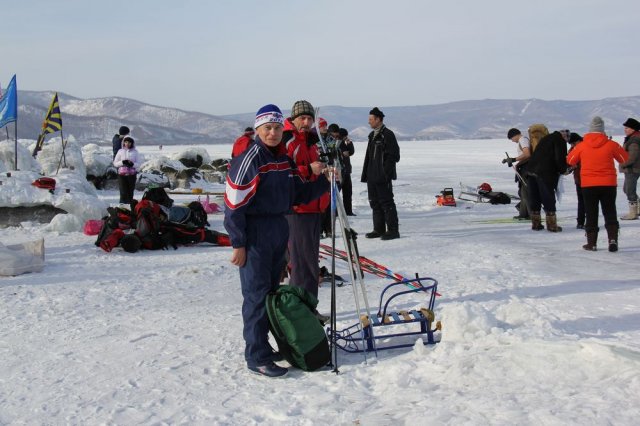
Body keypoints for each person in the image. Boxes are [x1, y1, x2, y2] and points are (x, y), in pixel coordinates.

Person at [224, 104, 330, 378]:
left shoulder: (283, 160)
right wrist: (238, 243)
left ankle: (267, 347)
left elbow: (297, 194)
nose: (272, 133)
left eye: (275, 128)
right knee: (257, 297)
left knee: (271, 296)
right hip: (256, 233)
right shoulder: (250, 159)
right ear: (258, 130)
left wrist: (324, 182)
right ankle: (256, 356)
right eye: (267, 128)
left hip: (278, 228)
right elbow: (234, 204)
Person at [283, 100, 330, 302]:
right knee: (302, 263)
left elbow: (313, 172)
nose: (306, 122)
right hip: (298, 209)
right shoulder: (289, 141)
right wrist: (309, 169)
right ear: (293, 119)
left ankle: (308, 307)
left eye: (310, 118)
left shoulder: (310, 141)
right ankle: (301, 308)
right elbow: (285, 174)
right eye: (302, 117)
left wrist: (326, 173)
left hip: (313, 208)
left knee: (309, 262)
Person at [567, 116, 628, 251]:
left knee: (591, 212)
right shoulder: (611, 144)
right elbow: (624, 158)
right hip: (608, 184)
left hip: (588, 184)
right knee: (610, 211)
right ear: (603, 130)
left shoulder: (581, 146)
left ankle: (592, 243)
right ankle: (612, 240)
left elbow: (570, 160)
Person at [361, 107, 400, 240]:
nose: (369, 122)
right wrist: (366, 174)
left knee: (387, 203)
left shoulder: (387, 134)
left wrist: (385, 172)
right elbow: (368, 157)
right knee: (374, 203)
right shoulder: (372, 136)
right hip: (372, 176)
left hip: (382, 177)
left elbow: (394, 155)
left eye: (371, 120)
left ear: (378, 120)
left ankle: (393, 230)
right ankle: (378, 229)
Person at [526, 126, 568, 232]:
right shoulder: (560, 141)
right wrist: (564, 169)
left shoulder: (546, 138)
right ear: (565, 136)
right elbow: (559, 158)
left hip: (531, 170)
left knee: (534, 197)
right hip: (544, 173)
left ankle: (536, 224)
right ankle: (552, 225)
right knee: (548, 197)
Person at [504, 128, 531, 220]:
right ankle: (524, 214)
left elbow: (527, 154)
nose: (512, 141)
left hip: (527, 170)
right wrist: (516, 164)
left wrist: (514, 159)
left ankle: (531, 214)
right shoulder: (523, 140)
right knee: (522, 193)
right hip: (524, 169)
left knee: (526, 193)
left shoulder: (523, 140)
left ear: (515, 135)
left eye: (511, 139)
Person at [619, 117, 640, 220]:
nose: (625, 129)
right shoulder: (632, 138)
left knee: (630, 190)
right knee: (626, 189)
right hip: (631, 169)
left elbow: (632, 157)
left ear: (633, 129)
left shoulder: (634, 140)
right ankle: (638, 208)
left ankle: (633, 213)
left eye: (627, 128)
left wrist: (623, 164)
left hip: (632, 169)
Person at [113, 136, 141, 205]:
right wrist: (122, 162)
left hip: (131, 175)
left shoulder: (135, 152)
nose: (127, 144)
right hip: (121, 174)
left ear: (132, 143)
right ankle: (122, 208)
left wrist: (132, 164)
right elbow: (115, 163)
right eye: (126, 142)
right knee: (123, 192)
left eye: (129, 142)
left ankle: (130, 207)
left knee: (130, 192)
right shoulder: (120, 151)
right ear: (123, 143)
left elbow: (139, 164)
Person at [566, 133, 585, 228]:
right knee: (581, 201)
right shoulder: (573, 149)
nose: (572, 145)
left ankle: (585, 222)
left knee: (586, 202)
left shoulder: (584, 148)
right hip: (579, 179)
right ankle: (580, 222)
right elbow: (569, 162)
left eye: (573, 143)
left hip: (586, 178)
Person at [337, 127, 355, 215]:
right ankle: (336, 212)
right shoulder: (337, 143)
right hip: (339, 171)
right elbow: (346, 153)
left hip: (347, 171)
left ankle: (348, 211)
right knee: (337, 192)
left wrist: (350, 144)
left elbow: (350, 153)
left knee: (348, 192)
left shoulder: (344, 143)